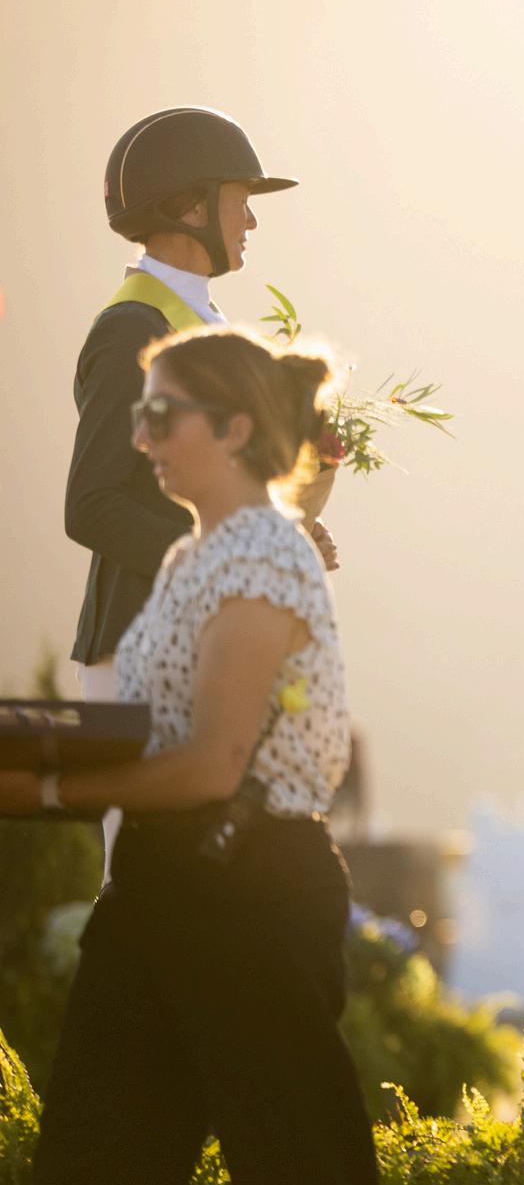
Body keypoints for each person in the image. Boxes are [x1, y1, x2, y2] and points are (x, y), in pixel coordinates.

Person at [6, 325, 375, 1185]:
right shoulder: (187, 556)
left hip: (251, 889)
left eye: (162, 416)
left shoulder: (264, 552)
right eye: (140, 416)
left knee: (298, 1173)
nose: (140, 438)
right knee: (93, 1170)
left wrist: (50, 785)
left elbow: (215, 764)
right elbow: (166, 736)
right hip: (159, 882)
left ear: (236, 428)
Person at [65, 108, 332, 870]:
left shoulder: (200, 319)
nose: (250, 219)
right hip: (136, 642)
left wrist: (279, 531)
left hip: (199, 642)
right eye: (239, 199)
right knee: (148, 886)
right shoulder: (130, 329)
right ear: (188, 207)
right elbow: (90, 504)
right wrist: (227, 560)